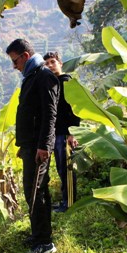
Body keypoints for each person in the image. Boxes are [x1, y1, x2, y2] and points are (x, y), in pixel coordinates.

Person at [8, 38, 58, 253]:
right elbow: (29, 114)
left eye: (15, 61)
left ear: (25, 56)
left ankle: (44, 242)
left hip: (40, 148)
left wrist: (44, 146)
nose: (14, 66)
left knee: (37, 191)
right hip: (31, 146)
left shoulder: (43, 76)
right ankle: (38, 234)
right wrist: (24, 144)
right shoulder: (31, 76)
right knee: (31, 191)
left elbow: (49, 115)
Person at [43, 51, 81, 213]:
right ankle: (66, 200)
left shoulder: (66, 82)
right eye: (47, 64)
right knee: (61, 168)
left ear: (60, 63)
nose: (50, 66)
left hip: (66, 134)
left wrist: (73, 133)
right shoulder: (54, 84)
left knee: (67, 169)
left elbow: (75, 109)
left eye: (53, 62)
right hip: (56, 133)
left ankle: (70, 203)